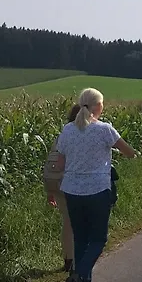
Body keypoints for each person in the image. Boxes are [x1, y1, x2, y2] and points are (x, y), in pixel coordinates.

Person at [56, 88, 137, 282]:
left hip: (72, 190)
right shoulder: (104, 130)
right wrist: (136, 153)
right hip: (98, 191)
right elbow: (129, 152)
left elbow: (61, 164)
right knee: (99, 238)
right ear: (99, 106)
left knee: (81, 238)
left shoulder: (67, 130)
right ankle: (80, 275)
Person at [45, 104, 81, 273]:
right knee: (80, 223)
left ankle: (68, 259)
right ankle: (77, 262)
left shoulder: (62, 135)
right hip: (74, 185)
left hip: (58, 184)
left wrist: (50, 191)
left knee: (67, 223)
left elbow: (51, 165)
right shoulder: (83, 135)